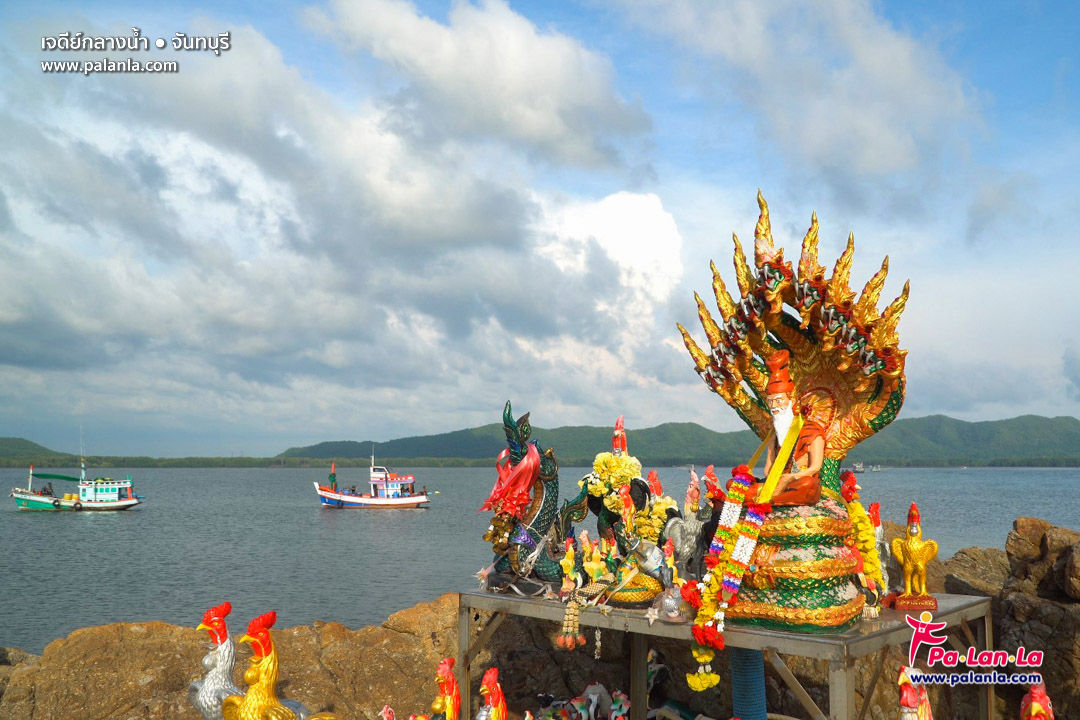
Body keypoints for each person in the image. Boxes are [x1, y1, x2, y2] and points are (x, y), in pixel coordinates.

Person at [751, 349, 824, 506]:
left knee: (808, 486)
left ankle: (771, 502)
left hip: (797, 483)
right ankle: (771, 500)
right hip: (775, 483)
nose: (774, 406)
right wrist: (775, 479)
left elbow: (815, 467)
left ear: (792, 400)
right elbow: (767, 469)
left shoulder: (812, 431)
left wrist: (790, 477)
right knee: (736, 485)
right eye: (770, 402)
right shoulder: (774, 435)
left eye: (778, 401)